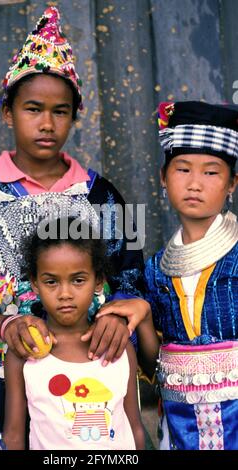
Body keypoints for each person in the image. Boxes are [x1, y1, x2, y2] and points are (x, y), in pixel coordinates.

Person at [0, 7, 148, 450]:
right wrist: (2, 324)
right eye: (32, 108)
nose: (47, 123)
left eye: (61, 111)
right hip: (1, 376)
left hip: (87, 373)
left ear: (75, 117)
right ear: (7, 112)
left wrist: (120, 313)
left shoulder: (108, 197)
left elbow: (135, 279)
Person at [97, 101, 238, 450]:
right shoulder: (155, 269)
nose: (194, 183)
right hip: (178, 421)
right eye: (182, 169)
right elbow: (151, 362)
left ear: (232, 183)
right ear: (163, 177)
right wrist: (143, 317)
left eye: (211, 172)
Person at [3, 217, 145, 450]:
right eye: (51, 282)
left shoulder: (118, 346)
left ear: (98, 281)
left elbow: (134, 428)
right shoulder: (25, 352)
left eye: (78, 280)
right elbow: (14, 437)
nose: (65, 293)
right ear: (35, 283)